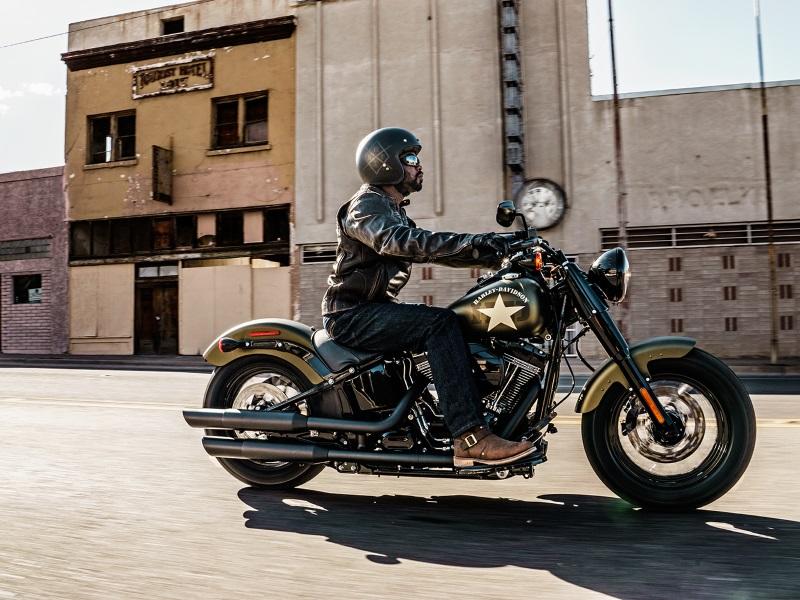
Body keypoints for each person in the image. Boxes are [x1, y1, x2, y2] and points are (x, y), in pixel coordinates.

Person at [321, 127, 535, 467]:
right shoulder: (365, 206)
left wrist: (497, 252)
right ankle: (469, 436)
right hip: (352, 314)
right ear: (385, 163)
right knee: (440, 324)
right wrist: (478, 243)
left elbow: (434, 250)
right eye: (410, 159)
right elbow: (401, 241)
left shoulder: (392, 210)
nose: (419, 166)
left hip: (375, 309)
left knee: (465, 321)